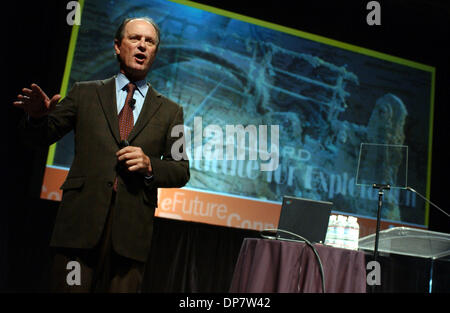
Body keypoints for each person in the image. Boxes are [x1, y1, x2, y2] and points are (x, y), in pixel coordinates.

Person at [13, 17, 190, 292]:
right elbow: (41, 137)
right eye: (135, 39)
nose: (142, 46)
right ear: (118, 46)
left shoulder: (171, 111)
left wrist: (149, 165)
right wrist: (37, 118)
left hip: (130, 239)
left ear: (155, 52)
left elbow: (181, 170)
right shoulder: (84, 93)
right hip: (78, 229)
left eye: (150, 41)